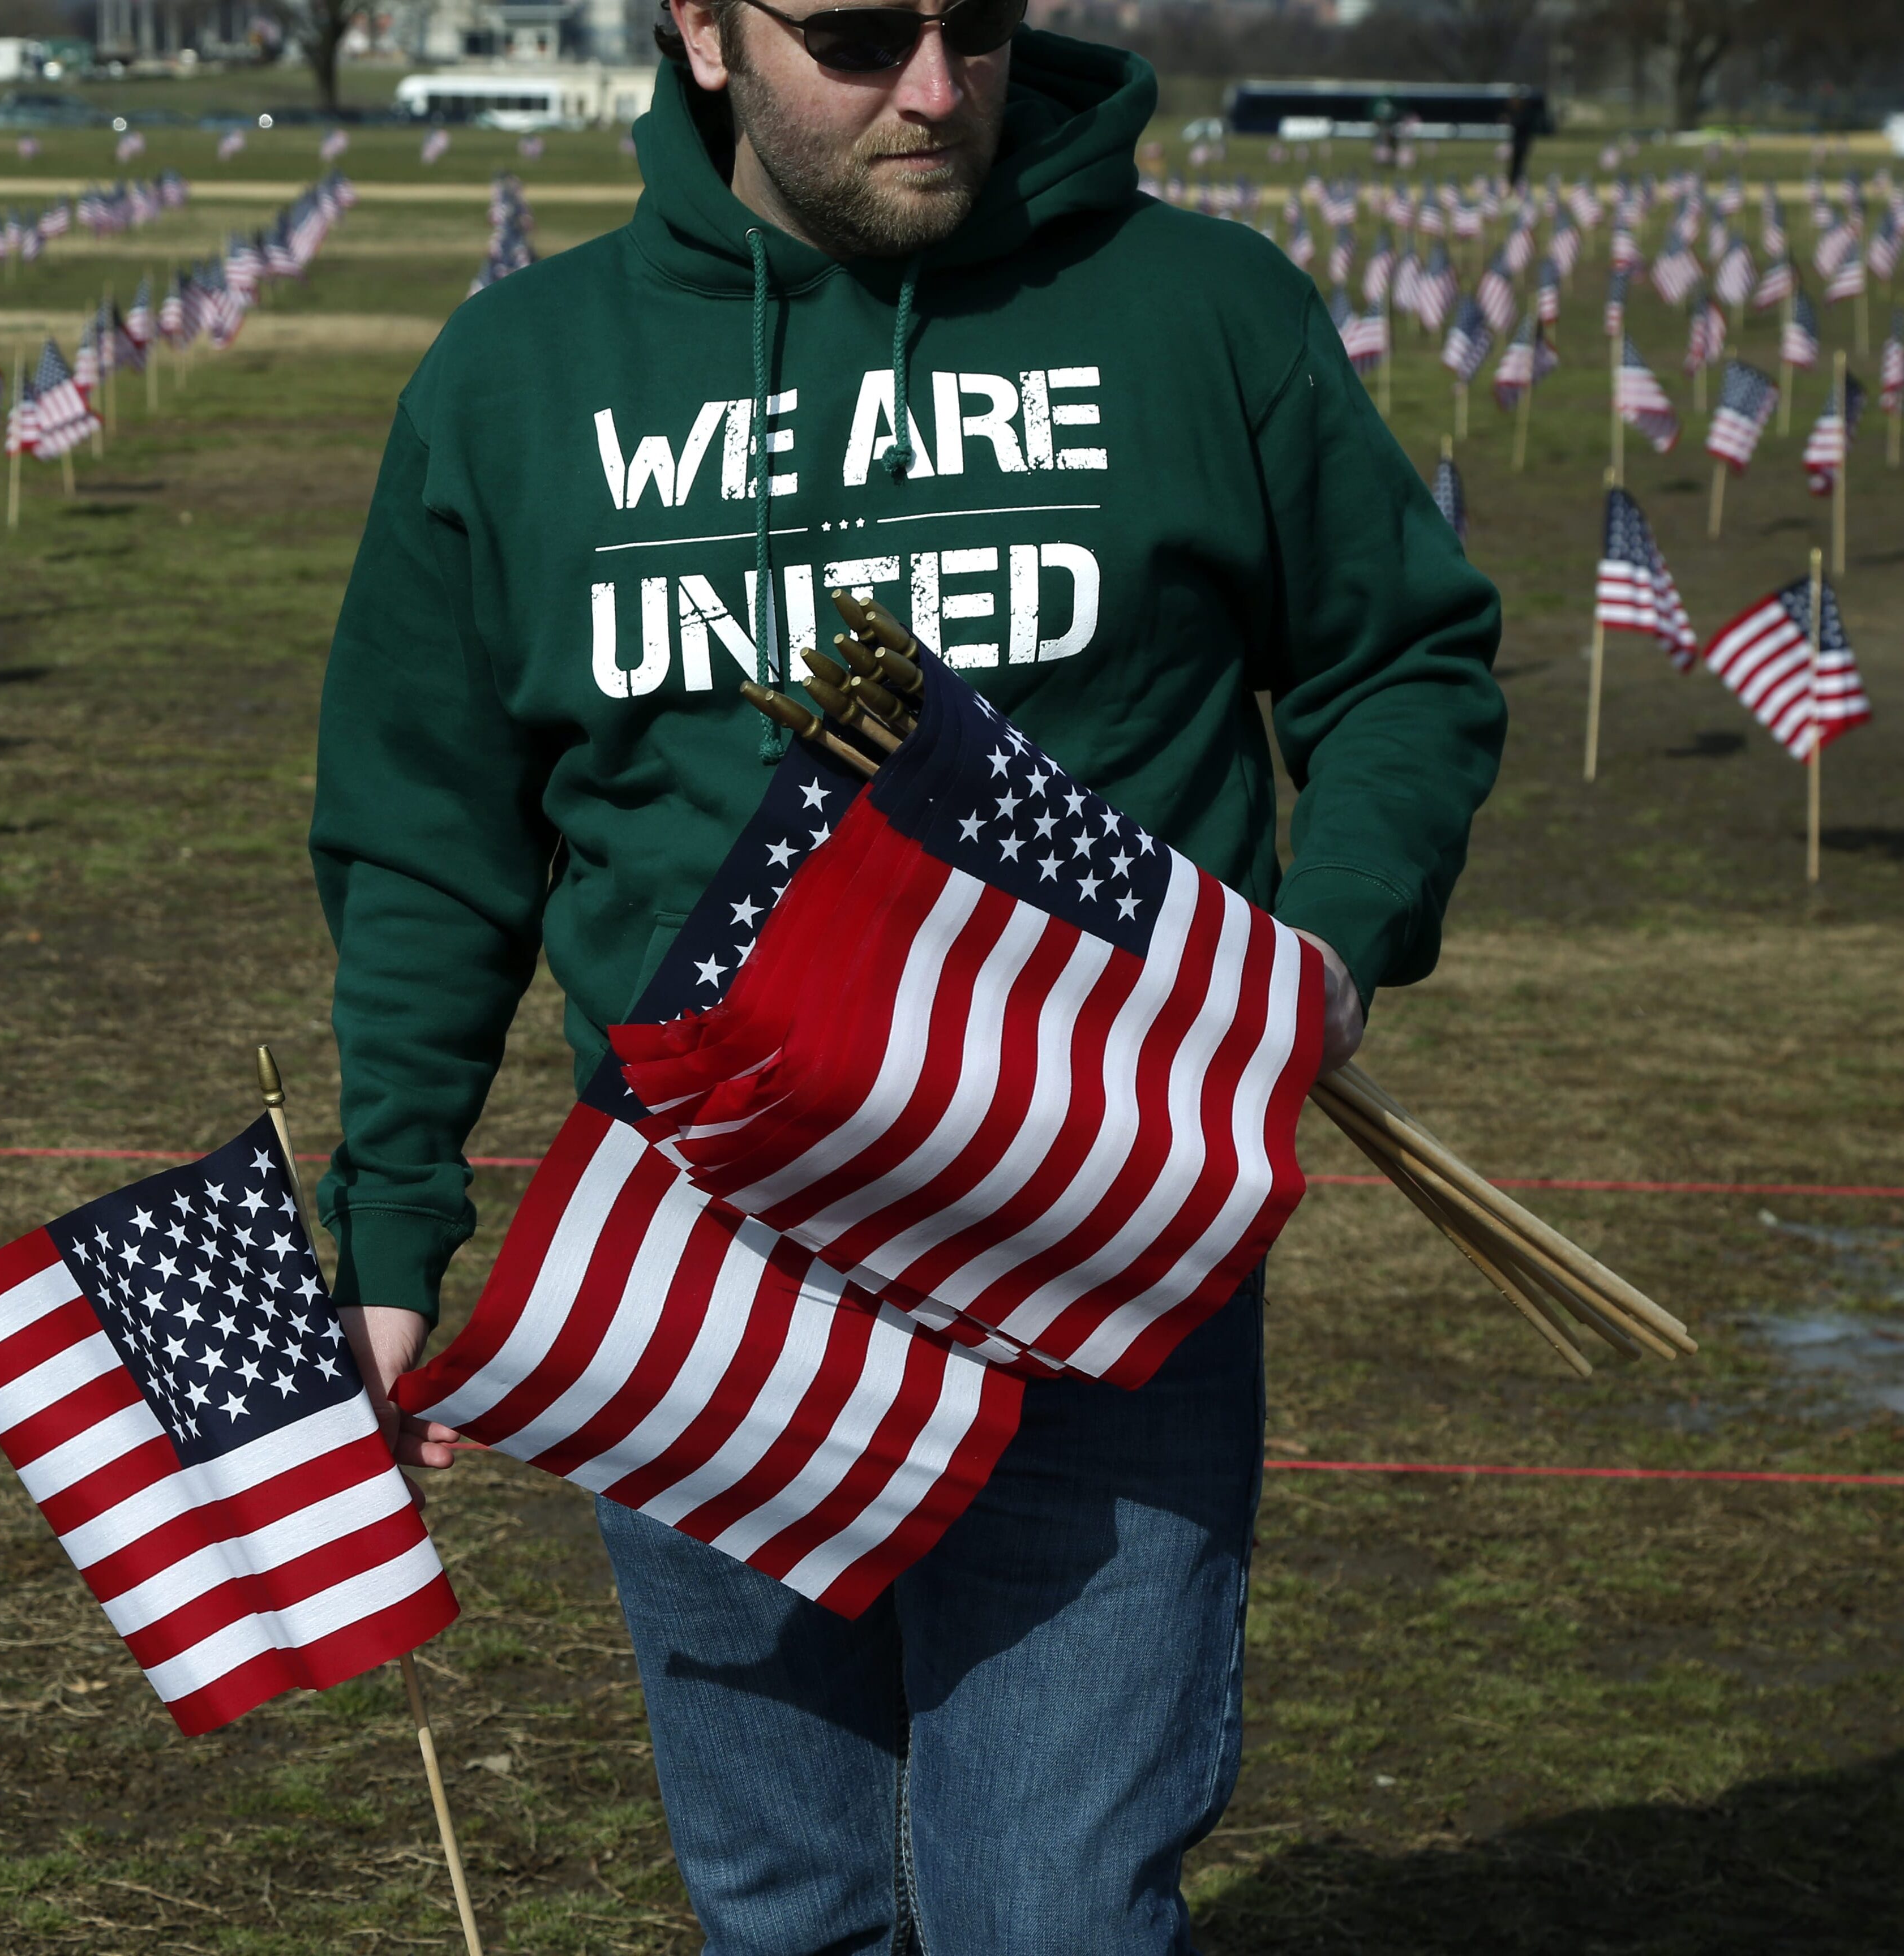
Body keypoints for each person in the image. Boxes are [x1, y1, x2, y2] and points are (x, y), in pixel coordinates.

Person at [311, 1, 1503, 1949]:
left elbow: (1404, 660)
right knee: (789, 1907)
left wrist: (1329, 950)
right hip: (707, 1254)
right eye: (862, 36)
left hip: (1100, 1237)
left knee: (1049, 1907)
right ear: (703, 27)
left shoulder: (1200, 310)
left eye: (980, 23)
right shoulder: (517, 377)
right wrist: (385, 1232)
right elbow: (431, 838)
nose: (938, 89)